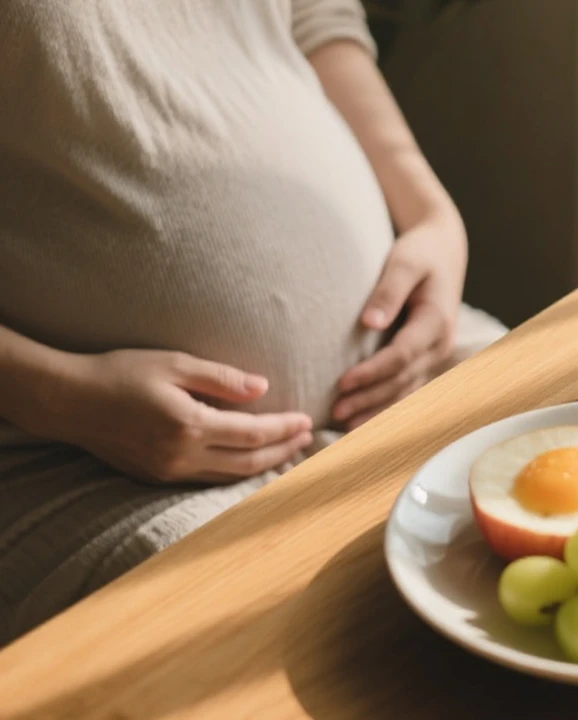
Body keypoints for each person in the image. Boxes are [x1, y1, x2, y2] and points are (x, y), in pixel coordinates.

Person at [0, 0, 507, 645]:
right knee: (310, 650)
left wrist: (433, 217)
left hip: (403, 357)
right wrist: (61, 397)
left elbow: (312, 16)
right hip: (84, 462)